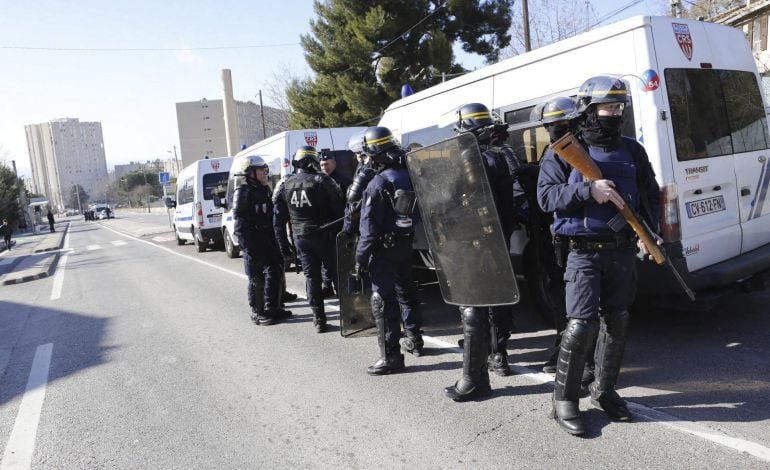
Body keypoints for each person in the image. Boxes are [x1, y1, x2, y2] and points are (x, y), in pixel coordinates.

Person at [537, 76, 661, 435]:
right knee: (580, 327)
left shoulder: (632, 150)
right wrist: (588, 190)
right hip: (584, 254)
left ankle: (604, 391)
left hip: (621, 251)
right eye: (609, 107)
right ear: (589, 110)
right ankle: (564, 400)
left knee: (618, 321)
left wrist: (648, 235)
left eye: (620, 106)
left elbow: (649, 195)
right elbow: (546, 198)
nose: (615, 113)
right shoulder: (563, 149)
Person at [443, 103, 517, 402]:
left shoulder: (471, 160)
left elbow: (453, 199)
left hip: (474, 241)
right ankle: (499, 356)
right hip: (496, 240)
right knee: (497, 300)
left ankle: (474, 380)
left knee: (472, 308)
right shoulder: (500, 156)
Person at [354, 126, 423, 375]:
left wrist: (359, 260)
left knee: (382, 301)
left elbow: (368, 230)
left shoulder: (377, 183)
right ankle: (415, 339)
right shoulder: (410, 175)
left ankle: (391, 356)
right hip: (405, 245)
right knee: (406, 291)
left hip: (382, 252)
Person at [274, 145, 345, 333]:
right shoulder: (322, 180)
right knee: (337, 276)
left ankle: (318, 320)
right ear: (312, 161)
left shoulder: (285, 183)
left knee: (311, 278)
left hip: (300, 238)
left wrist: (283, 245)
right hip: (325, 236)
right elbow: (339, 209)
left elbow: (278, 218)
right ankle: (348, 316)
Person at [535, 96, 579, 374]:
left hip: (571, 234)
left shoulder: (572, 151)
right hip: (553, 233)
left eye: (561, 123)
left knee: (572, 298)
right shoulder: (554, 152)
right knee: (560, 292)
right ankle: (567, 348)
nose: (556, 129)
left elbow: (550, 196)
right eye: (552, 125)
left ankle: (572, 354)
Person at [232, 155, 291, 326]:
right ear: (250, 173)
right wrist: (248, 247)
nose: (265, 173)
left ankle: (273, 308)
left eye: (266, 170)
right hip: (254, 241)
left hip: (268, 239)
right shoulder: (243, 192)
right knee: (256, 278)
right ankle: (257, 312)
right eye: (261, 170)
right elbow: (240, 223)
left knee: (276, 271)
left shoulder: (264, 189)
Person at [318, 151, 352, 298]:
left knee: (340, 260)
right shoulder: (318, 181)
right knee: (326, 259)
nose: (324, 167)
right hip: (325, 227)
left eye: (327, 164)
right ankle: (327, 285)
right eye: (322, 165)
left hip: (340, 225)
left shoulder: (344, 181)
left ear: (334, 164)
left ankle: (341, 289)